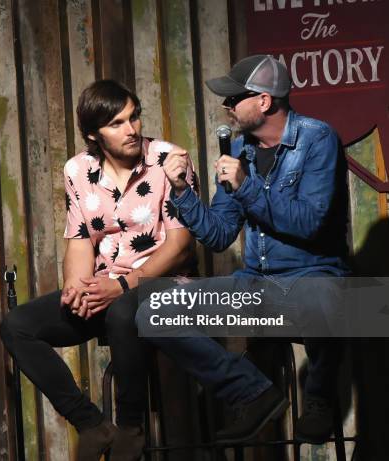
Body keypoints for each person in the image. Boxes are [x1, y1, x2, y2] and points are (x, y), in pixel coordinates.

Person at [140, 54, 350, 444]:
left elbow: (311, 223)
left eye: (234, 99)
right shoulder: (239, 151)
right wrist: (183, 191)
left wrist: (247, 186)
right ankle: (252, 392)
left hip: (312, 278)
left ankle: (318, 397)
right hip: (257, 285)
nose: (226, 108)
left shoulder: (317, 139)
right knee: (157, 311)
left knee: (320, 295)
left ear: (265, 102)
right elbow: (219, 234)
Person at [0, 79, 196, 460]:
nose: (132, 129)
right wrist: (78, 287)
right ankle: (91, 423)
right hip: (107, 287)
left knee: (123, 312)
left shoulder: (166, 159)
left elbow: (180, 247)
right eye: (117, 123)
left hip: (163, 286)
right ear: (93, 134)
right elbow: (79, 239)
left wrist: (120, 286)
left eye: (134, 117)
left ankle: (130, 428)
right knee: (16, 326)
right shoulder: (78, 170)